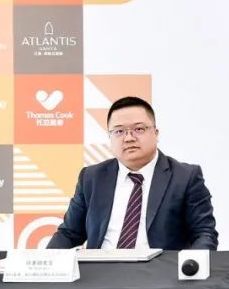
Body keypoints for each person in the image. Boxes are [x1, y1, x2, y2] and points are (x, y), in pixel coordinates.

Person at [48, 96, 218, 250]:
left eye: (139, 129)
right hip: (101, 270)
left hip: (161, 272)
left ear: (156, 133)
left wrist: (189, 267)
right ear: (110, 137)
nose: (129, 138)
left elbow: (204, 234)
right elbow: (69, 233)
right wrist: (45, 264)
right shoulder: (91, 177)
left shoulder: (185, 177)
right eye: (119, 131)